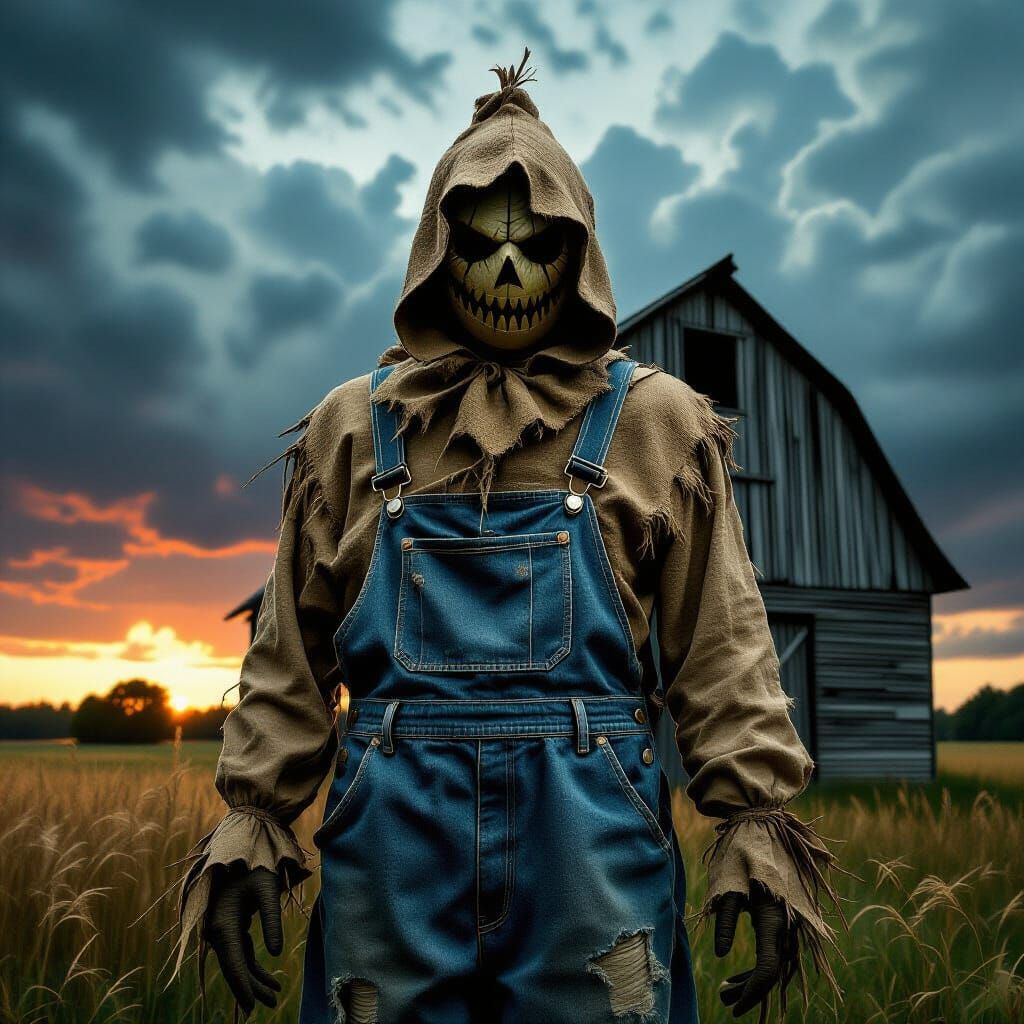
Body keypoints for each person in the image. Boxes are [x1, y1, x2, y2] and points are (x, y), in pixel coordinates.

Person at [172, 52, 844, 1023]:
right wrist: (253, 815)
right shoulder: (353, 428)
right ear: (437, 252)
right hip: (390, 837)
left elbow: (722, 645)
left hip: (589, 837)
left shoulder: (657, 424)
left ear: (580, 253)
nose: (509, 270)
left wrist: (753, 821)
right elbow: (288, 656)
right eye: (481, 242)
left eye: (538, 243)